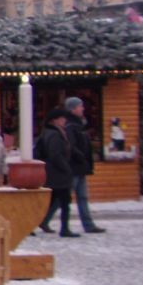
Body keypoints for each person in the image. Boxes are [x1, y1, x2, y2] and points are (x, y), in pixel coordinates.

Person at [62, 97, 106, 233]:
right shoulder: (70, 125)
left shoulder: (79, 124)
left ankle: (88, 224)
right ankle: (46, 221)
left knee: (81, 196)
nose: (83, 108)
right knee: (63, 197)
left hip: (80, 166)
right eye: (80, 106)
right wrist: (81, 156)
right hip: (74, 166)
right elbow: (71, 145)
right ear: (73, 109)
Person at [35, 107, 76, 237]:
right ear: (55, 121)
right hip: (58, 174)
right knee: (64, 202)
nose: (64, 121)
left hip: (53, 173)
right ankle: (65, 229)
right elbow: (55, 154)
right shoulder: (55, 135)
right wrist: (66, 168)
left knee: (51, 202)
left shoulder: (49, 132)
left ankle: (41, 223)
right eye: (62, 118)